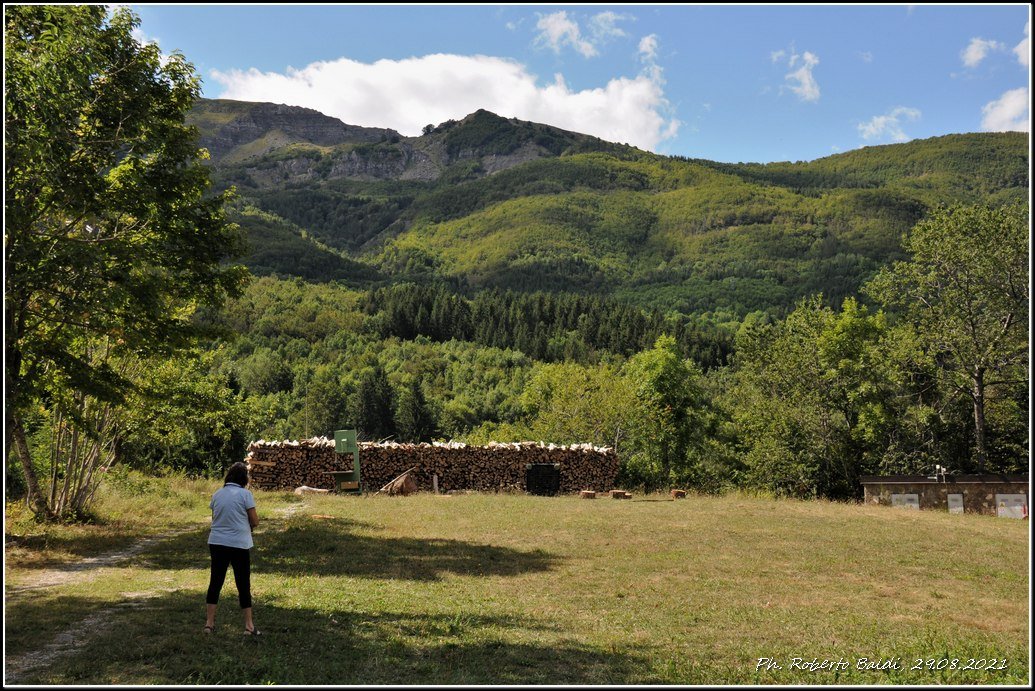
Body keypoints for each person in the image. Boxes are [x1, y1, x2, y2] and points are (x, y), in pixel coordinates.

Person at [204, 461, 261, 636]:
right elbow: (255, 521)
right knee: (243, 584)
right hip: (239, 544)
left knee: (215, 582)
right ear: (244, 478)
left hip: (217, 542)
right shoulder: (246, 495)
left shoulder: (217, 494)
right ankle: (249, 626)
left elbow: (215, 518)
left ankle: (209, 624)